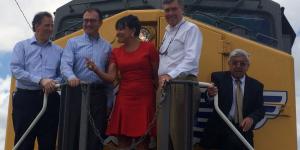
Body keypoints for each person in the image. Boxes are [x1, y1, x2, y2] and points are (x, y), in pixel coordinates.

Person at [86, 15, 159, 150]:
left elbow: (156, 74)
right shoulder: (116, 52)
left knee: (142, 142)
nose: (117, 33)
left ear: (132, 31)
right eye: (117, 29)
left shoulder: (149, 48)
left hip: (145, 99)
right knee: (122, 140)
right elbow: (111, 78)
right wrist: (95, 69)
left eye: (121, 29)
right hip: (124, 99)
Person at [60, 8, 112, 150]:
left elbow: (109, 78)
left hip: (98, 97)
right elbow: (65, 65)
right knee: (72, 136)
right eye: (85, 20)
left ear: (100, 23)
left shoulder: (107, 47)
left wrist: (109, 102)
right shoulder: (73, 43)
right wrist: (71, 77)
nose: (88, 24)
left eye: (92, 21)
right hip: (76, 94)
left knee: (95, 138)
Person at [10, 11, 62, 150]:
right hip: (25, 100)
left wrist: (53, 82)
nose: (50, 29)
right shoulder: (22, 47)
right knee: (24, 143)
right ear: (37, 26)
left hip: (50, 100)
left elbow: (63, 75)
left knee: (48, 143)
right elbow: (16, 70)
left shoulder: (58, 51)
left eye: (52, 25)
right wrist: (40, 80)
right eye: (47, 25)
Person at [157, 0, 203, 149]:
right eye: (167, 10)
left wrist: (170, 75)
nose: (170, 13)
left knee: (179, 133)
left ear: (182, 9)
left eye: (173, 9)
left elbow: (191, 59)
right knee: (164, 134)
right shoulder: (167, 31)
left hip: (181, 84)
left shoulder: (191, 29)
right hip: (166, 85)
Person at [201, 49, 265, 150]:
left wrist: (251, 118)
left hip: (242, 133)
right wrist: (210, 94)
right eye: (235, 63)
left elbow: (260, 110)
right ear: (229, 64)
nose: (238, 66)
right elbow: (208, 98)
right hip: (218, 132)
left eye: (242, 64)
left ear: (248, 66)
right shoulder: (218, 78)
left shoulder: (257, 86)